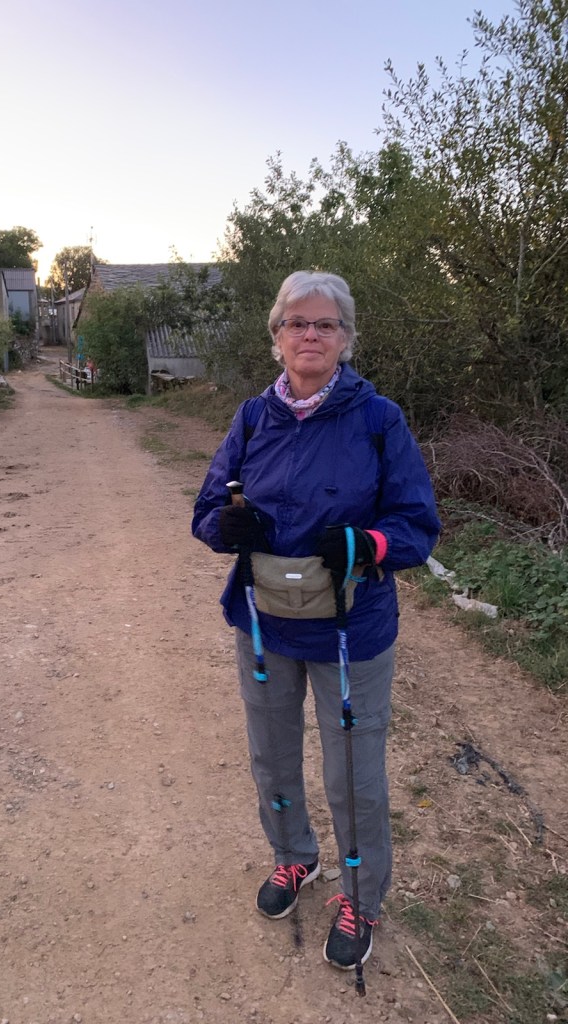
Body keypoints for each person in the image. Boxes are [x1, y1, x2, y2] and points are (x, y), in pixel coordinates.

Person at [192, 270, 440, 971]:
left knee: (353, 774)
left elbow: (418, 523)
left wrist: (370, 544)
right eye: (296, 323)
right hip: (265, 625)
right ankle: (293, 856)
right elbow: (206, 511)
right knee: (271, 755)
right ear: (276, 336)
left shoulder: (378, 419)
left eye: (325, 324)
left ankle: (361, 896)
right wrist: (226, 526)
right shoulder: (252, 419)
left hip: (351, 632)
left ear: (345, 339)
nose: (310, 334)